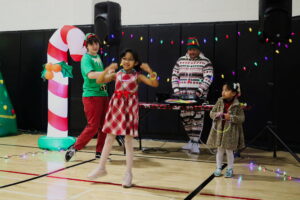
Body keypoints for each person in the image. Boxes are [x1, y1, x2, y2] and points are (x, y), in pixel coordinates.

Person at [86, 49, 159, 188]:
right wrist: (108, 69)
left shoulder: (138, 76)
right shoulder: (117, 74)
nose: (126, 61)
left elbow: (154, 84)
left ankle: (128, 173)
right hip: (116, 107)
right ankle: (101, 167)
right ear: (121, 60)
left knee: (128, 141)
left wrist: (149, 70)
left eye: (130, 59)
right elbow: (99, 80)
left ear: (136, 62)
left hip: (129, 108)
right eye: (124, 58)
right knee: (109, 137)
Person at [65, 33, 116, 161]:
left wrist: (110, 77)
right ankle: (74, 148)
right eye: (91, 44)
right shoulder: (86, 59)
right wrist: (105, 73)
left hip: (103, 95)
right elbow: (91, 75)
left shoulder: (98, 57)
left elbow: (100, 77)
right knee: (93, 126)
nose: (95, 46)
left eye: (96, 43)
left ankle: (100, 152)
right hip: (92, 96)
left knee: (105, 125)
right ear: (86, 46)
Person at [171, 37, 214, 154]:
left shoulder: (206, 62)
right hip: (183, 97)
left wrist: (199, 91)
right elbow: (174, 76)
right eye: (190, 49)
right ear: (187, 50)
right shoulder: (180, 60)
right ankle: (191, 140)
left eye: (194, 49)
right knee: (186, 119)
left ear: (198, 50)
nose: (192, 52)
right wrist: (176, 90)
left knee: (197, 119)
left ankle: (195, 144)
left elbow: (209, 78)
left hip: (198, 97)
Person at [206, 82, 245, 178]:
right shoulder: (219, 101)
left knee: (229, 151)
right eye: (223, 90)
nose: (223, 92)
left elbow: (241, 118)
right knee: (219, 150)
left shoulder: (237, 105)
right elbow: (211, 113)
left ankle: (230, 168)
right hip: (220, 130)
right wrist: (216, 114)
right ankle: (218, 168)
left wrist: (231, 117)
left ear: (234, 93)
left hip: (230, 133)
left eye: (226, 90)